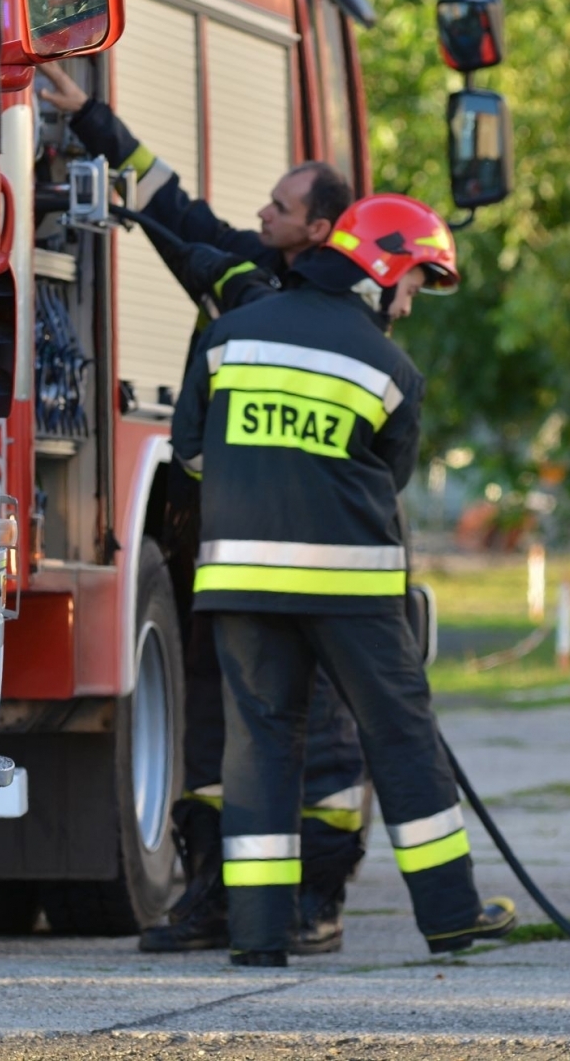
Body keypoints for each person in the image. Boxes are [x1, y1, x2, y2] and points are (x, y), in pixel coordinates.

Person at [37, 63, 368, 955]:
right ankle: (218, 896)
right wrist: (95, 120)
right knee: (213, 725)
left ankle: (314, 903)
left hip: (316, 559)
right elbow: (173, 209)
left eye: (278, 206)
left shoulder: (335, 311)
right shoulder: (256, 268)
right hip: (225, 553)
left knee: (323, 740)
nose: (262, 212)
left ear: (319, 228)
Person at [171, 193, 518, 966]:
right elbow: (387, 478)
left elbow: (191, 453)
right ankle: (453, 915)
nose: (413, 301)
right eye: (417, 284)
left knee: (258, 748)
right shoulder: (390, 367)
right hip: (351, 588)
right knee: (400, 737)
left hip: (240, 581)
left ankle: (259, 939)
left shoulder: (229, 335)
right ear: (385, 272)